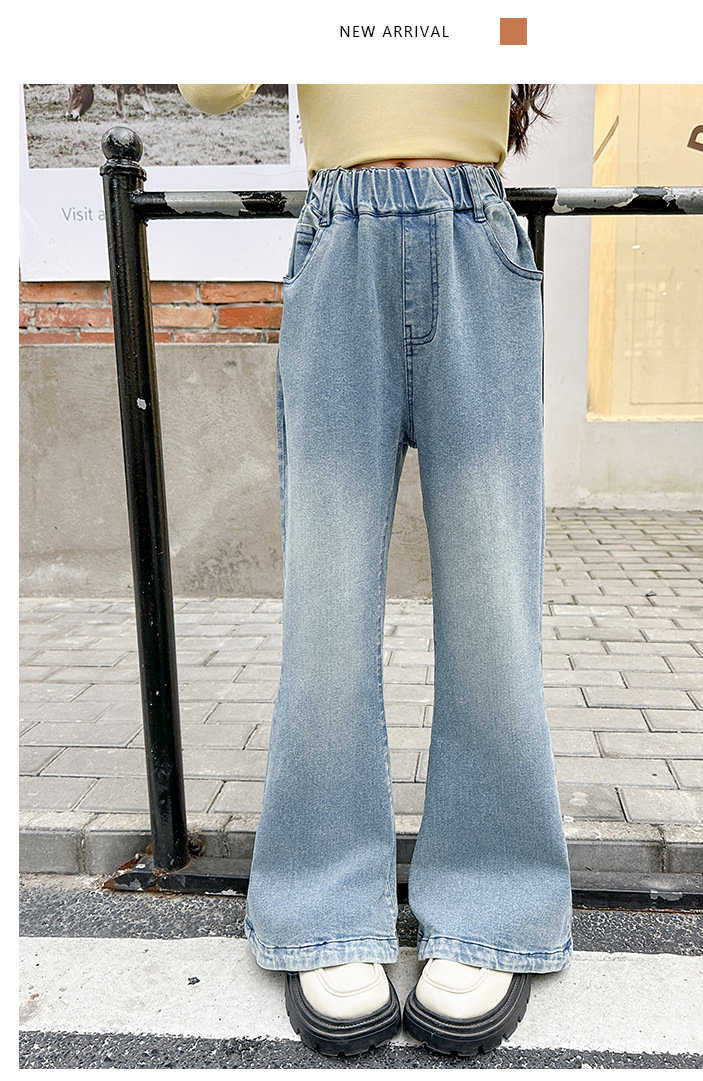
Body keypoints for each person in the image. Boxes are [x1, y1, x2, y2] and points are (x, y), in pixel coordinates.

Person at [178, 84, 573, 1059]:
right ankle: (322, 906)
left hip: (475, 241)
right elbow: (210, 85)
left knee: (491, 606)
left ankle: (493, 903)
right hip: (340, 240)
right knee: (326, 606)